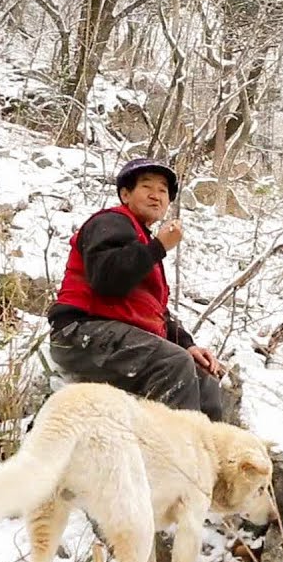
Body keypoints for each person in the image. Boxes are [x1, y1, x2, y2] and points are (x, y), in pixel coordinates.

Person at [47, 158, 226, 422]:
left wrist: (188, 344)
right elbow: (106, 280)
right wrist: (158, 247)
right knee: (174, 364)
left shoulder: (141, 244)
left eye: (163, 190)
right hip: (80, 333)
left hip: (116, 338)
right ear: (125, 194)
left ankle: (212, 457)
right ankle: (175, 456)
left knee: (204, 379)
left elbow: (153, 311)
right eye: (147, 187)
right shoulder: (110, 222)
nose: (156, 196)